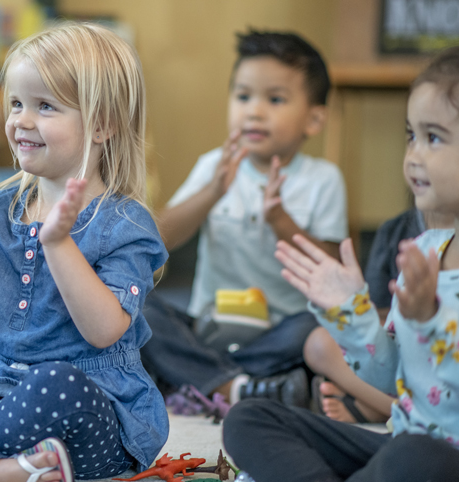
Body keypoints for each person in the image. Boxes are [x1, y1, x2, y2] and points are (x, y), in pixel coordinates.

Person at [0, 22, 169, 482]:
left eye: (45, 106)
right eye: (17, 104)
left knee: (56, 383)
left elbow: (105, 330)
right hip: (4, 393)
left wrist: (59, 244)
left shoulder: (125, 224)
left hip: (96, 419)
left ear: (102, 124)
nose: (21, 120)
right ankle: (12, 469)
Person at [223, 45, 459, 482]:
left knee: (412, 458)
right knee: (250, 419)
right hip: (401, 445)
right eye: (411, 135)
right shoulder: (425, 251)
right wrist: (350, 311)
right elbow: (390, 378)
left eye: (434, 137)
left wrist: (434, 322)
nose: (413, 156)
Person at [141, 29, 346, 411]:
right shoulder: (214, 166)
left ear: (314, 119)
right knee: (140, 310)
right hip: (208, 327)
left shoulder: (322, 180)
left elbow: (333, 272)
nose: (254, 110)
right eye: (243, 96)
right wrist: (213, 192)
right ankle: (240, 387)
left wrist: (282, 221)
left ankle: (203, 380)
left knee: (316, 329)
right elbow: (157, 238)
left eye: (275, 99)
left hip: (277, 333)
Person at [307, 207, 453, 424]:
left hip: (448, 414)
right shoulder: (419, 240)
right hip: (406, 370)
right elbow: (390, 359)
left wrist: (428, 317)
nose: (414, 170)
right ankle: (387, 405)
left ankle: (385, 407)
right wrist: (353, 307)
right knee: (316, 342)